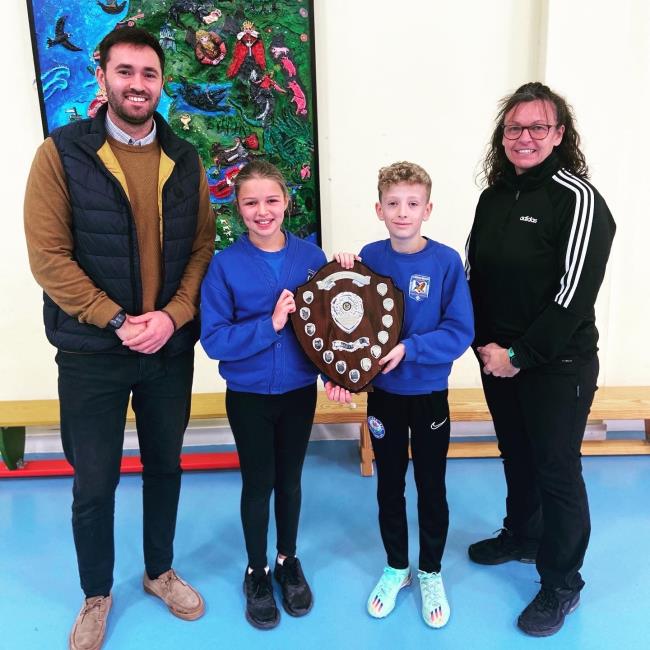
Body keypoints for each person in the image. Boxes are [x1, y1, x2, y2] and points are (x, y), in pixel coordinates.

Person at [24, 27, 215, 650]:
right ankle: (96, 593)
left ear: (162, 83)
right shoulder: (60, 154)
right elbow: (49, 258)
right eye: (126, 71)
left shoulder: (185, 159)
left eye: (150, 74)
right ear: (102, 75)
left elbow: (201, 250)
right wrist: (115, 319)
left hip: (167, 351)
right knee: (94, 482)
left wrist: (174, 315)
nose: (138, 84)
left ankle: (159, 572)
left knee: (166, 466)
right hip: (91, 355)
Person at [465, 82, 616, 637]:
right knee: (517, 455)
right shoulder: (494, 197)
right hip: (497, 358)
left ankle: (561, 581)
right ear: (501, 136)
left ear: (559, 135)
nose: (524, 137)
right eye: (514, 128)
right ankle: (523, 536)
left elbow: (574, 295)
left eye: (537, 128)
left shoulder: (578, 199)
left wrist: (521, 354)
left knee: (556, 468)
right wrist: (483, 345)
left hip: (557, 364)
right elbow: (474, 274)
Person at [330, 161, 474, 629]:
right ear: (378, 208)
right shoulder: (370, 256)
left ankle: (430, 570)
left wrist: (410, 349)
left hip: (429, 392)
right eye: (393, 204)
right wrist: (344, 270)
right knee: (389, 484)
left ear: (428, 208)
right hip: (384, 397)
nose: (403, 212)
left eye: (412, 203)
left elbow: (459, 331)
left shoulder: (447, 262)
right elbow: (346, 313)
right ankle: (397, 567)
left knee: (431, 485)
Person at [200, 160, 326, 630]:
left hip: (298, 392)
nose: (262, 211)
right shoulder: (224, 265)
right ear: (238, 207)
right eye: (251, 202)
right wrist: (270, 325)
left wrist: (341, 372)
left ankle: (288, 560)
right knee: (259, 482)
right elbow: (215, 340)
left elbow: (331, 330)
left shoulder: (312, 258)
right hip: (249, 395)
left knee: (290, 480)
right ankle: (256, 570)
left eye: (271, 200)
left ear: (287, 202)